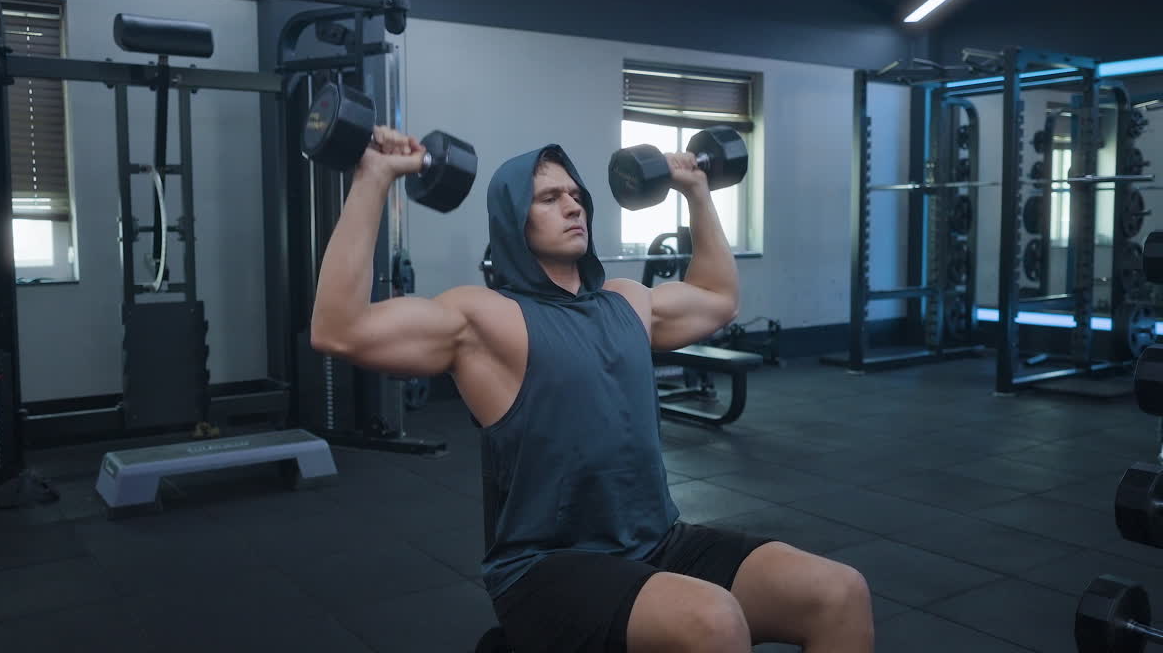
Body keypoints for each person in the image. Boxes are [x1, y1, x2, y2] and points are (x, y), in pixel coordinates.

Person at [311, 126, 874, 653]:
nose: (573, 205)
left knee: (838, 592)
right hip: (546, 567)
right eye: (548, 197)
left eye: (575, 194)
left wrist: (697, 192)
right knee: (713, 620)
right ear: (513, 218)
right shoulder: (485, 316)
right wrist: (374, 178)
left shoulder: (627, 301)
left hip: (658, 542)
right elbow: (339, 330)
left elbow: (718, 298)